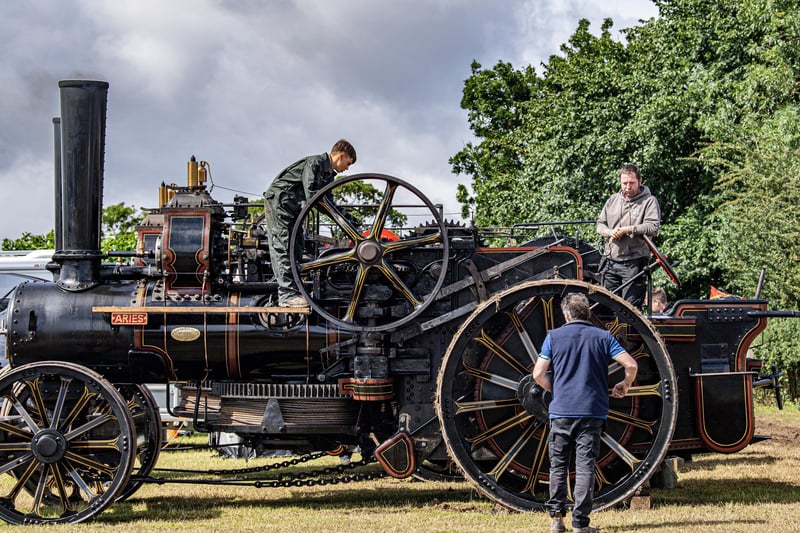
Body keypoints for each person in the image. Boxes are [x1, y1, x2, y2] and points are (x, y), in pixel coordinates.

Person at [532, 292, 638, 533]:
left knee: (558, 465)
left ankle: (557, 520)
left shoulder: (554, 337)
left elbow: (538, 374)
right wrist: (625, 385)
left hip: (561, 412)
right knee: (585, 466)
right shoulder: (603, 337)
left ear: (566, 315)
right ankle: (581, 524)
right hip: (592, 411)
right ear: (587, 313)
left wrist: (556, 389)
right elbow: (631, 365)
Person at [264, 140, 356, 307]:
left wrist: (346, 217)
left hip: (293, 210)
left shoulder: (327, 174)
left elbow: (327, 202)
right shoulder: (315, 163)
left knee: (297, 246)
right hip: (280, 205)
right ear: (341, 156)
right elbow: (313, 195)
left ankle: (296, 290)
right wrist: (341, 220)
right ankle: (286, 296)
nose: (347, 168)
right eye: (348, 163)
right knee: (283, 246)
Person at [596, 164, 660, 308]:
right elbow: (599, 225)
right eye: (624, 183)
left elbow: (653, 227)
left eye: (631, 183)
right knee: (607, 307)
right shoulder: (612, 200)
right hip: (610, 261)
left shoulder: (649, 201)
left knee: (630, 309)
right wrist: (610, 232)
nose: (627, 187)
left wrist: (627, 230)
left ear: (640, 181)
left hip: (634, 263)